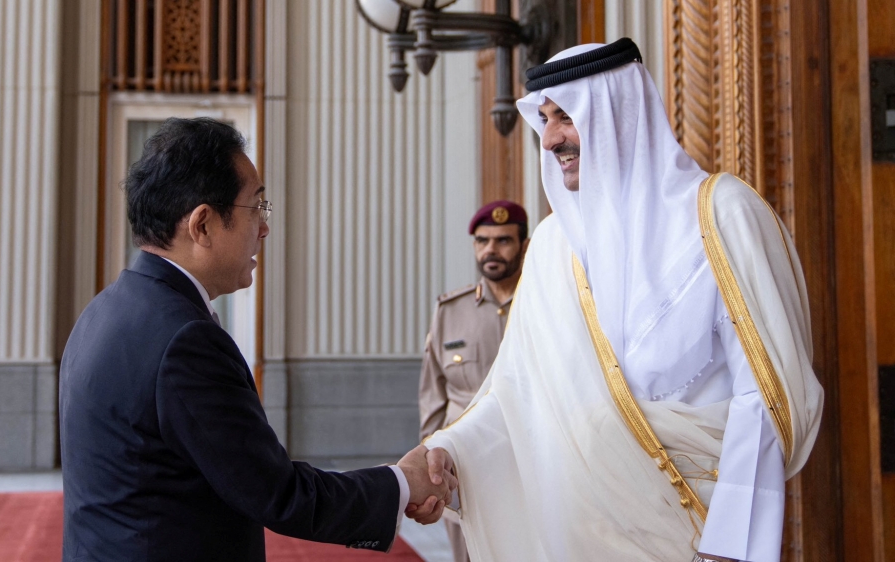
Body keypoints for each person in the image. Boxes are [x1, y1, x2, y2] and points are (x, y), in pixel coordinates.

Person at [421, 38, 824, 562]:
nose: (550, 140)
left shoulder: (720, 217)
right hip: (583, 531)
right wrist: (446, 452)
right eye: (543, 119)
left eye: (566, 116)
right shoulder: (551, 246)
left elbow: (766, 398)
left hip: (696, 531)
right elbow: (517, 392)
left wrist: (729, 545)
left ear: (618, 112)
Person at [59, 118, 452, 562]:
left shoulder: (106, 309)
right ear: (202, 224)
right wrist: (403, 483)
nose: (264, 229)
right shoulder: (184, 340)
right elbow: (278, 493)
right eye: (257, 208)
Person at [418, 200, 528, 562]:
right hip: (464, 464)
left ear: (524, 245)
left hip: (528, 458)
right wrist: (429, 458)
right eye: (482, 241)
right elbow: (433, 394)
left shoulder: (541, 304)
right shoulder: (451, 310)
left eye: (503, 240)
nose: (490, 250)